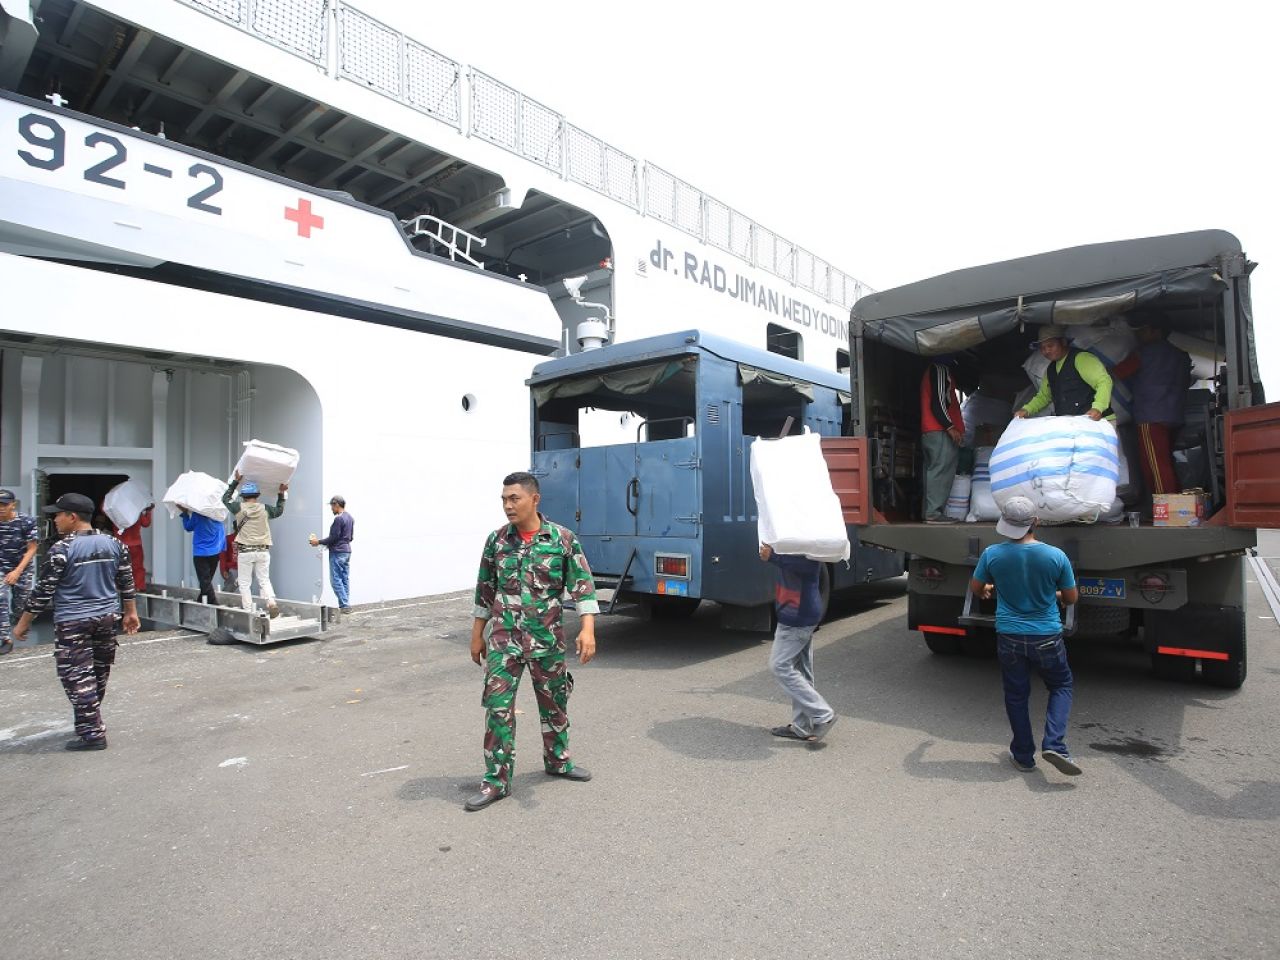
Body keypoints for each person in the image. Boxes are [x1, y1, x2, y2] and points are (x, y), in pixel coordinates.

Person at [465, 471, 599, 812]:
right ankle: (496, 781)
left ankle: (558, 761)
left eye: (515, 499)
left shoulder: (562, 539)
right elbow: (485, 589)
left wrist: (588, 629)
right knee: (497, 708)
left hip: (546, 639)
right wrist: (477, 634)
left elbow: (582, 585)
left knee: (554, 704)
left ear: (534, 499)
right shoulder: (496, 541)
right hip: (504, 640)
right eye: (504, 500)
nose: (508, 506)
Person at [11, 493, 140, 751]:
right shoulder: (114, 544)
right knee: (97, 675)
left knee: (77, 678)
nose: (55, 520)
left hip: (74, 621)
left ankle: (92, 734)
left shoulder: (62, 549)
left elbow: (43, 591)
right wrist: (131, 612)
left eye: (58, 515)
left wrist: (23, 622)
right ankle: (88, 722)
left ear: (72, 517)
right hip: (106, 618)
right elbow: (126, 580)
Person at [970, 496, 1082, 776]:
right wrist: (1055, 594)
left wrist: (986, 590)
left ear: (1005, 523)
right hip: (1046, 635)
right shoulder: (1055, 556)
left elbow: (976, 588)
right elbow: (1071, 598)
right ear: (1036, 522)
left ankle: (1023, 756)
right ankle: (1055, 744)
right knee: (1061, 685)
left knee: (1016, 695)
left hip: (1009, 636)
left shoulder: (992, 554)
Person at [760, 543, 837, 742]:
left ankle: (823, 714)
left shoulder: (808, 544)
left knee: (779, 666)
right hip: (799, 613)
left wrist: (773, 556)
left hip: (797, 616)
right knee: (802, 670)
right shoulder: (795, 541)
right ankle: (802, 727)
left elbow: (807, 567)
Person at [1111, 318, 1193, 497]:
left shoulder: (1144, 353)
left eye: (1143, 330)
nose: (1138, 335)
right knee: (1166, 462)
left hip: (1151, 415)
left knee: (1155, 465)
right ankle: (1176, 504)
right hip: (1174, 414)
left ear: (1157, 331)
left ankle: (1165, 504)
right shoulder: (1180, 355)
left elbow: (1118, 372)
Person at [222, 473, 288, 618]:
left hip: (245, 552)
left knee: (244, 583)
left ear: (243, 496)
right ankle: (271, 602)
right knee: (264, 580)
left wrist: (235, 482)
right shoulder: (265, 509)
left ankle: (249, 610)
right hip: (263, 551)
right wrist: (281, 494)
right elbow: (279, 510)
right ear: (257, 495)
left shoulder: (238, 507)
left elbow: (225, 499)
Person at [1015, 325, 1114, 421]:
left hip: (1099, 422)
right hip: (1073, 425)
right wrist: (1026, 410)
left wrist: (1098, 408)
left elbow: (1104, 381)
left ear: (1063, 342)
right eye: (1042, 348)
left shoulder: (1081, 358)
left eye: (1050, 345)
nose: (1046, 351)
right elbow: (1044, 396)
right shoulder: (1051, 370)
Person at [920, 358, 965, 523]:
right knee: (941, 471)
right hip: (939, 430)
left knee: (933, 471)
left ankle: (929, 512)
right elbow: (938, 402)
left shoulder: (935, 369)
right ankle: (934, 513)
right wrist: (950, 426)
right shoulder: (940, 369)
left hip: (933, 430)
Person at [0, 489, 39, 655]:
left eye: (4, 505)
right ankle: (4, 638)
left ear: (13, 505)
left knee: (21, 604)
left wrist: (17, 571)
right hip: (1, 567)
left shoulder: (26, 521)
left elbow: (32, 548)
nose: (1, 508)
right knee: (0, 598)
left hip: (22, 567)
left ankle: (20, 621)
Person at [309, 495, 354, 613]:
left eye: (332, 506)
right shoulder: (350, 518)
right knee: (344, 578)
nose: (331, 509)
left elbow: (333, 538)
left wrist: (318, 542)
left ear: (337, 504)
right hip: (347, 551)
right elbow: (351, 537)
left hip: (337, 552)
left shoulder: (339, 519)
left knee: (335, 580)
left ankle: (345, 605)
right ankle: (345, 603)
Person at [180, 506, 225, 605]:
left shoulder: (197, 515)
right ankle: (201, 600)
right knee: (206, 581)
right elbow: (222, 532)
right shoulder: (218, 515)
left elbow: (188, 527)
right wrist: (222, 548)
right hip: (215, 552)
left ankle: (214, 603)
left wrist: (185, 514)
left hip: (201, 553)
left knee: (205, 581)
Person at [116, 501, 154, 593]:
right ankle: (139, 587)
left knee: (119, 567)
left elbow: (103, 508)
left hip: (120, 544)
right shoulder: (136, 511)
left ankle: (121, 587)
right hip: (135, 544)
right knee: (138, 567)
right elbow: (146, 523)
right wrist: (148, 511)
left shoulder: (115, 513)